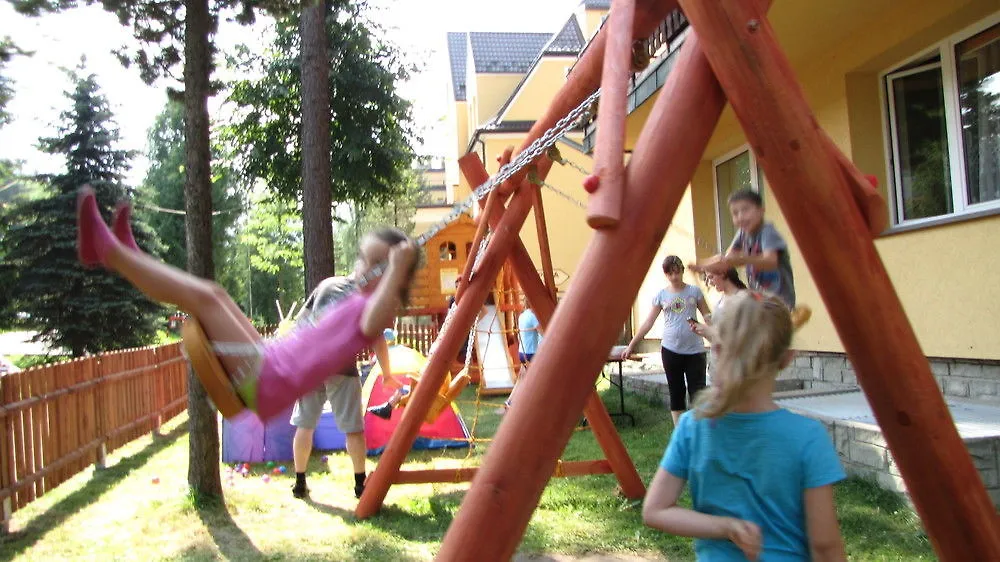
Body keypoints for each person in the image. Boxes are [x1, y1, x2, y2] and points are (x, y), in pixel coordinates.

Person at [74, 185, 417, 421]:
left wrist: (397, 270)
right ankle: (130, 256)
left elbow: (377, 321)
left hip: (266, 382)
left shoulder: (374, 311)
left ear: (389, 278)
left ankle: (109, 252)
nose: (360, 268)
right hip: (268, 358)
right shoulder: (356, 301)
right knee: (216, 292)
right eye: (361, 259)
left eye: (373, 265)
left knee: (205, 299)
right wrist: (388, 270)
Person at [642, 292, 846, 561]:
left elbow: (654, 510)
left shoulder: (693, 426)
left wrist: (726, 527)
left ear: (715, 348)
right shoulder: (809, 438)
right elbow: (825, 546)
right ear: (787, 358)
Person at [290, 277, 393, 500]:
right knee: (353, 428)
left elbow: (300, 323)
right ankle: (360, 485)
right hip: (341, 367)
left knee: (304, 424)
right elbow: (378, 340)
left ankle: (299, 483)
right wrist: (387, 375)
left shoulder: (325, 285)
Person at [622, 255, 712, 425]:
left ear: (683, 272)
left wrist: (717, 334)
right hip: (671, 350)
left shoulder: (694, 291)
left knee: (698, 393)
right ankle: (679, 432)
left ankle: (699, 430)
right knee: (676, 391)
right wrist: (632, 345)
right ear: (666, 275)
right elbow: (648, 322)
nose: (674, 277)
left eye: (677, 272)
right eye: (670, 274)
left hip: (695, 350)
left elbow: (708, 316)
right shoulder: (661, 295)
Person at [691, 189, 796, 308]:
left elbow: (771, 261)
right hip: (763, 303)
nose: (740, 217)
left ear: (761, 211)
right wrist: (702, 266)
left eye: (745, 210)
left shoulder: (767, 231)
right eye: (735, 213)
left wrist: (743, 260)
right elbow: (727, 260)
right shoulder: (742, 233)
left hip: (780, 302)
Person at [691, 268, 746, 384]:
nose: (709, 282)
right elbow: (717, 337)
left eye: (711, 277)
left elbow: (740, 338)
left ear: (723, 273)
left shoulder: (743, 300)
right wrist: (704, 332)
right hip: (718, 367)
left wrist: (710, 331)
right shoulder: (722, 300)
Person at [504, 294, 543, 410]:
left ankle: (510, 402)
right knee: (534, 380)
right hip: (531, 354)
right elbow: (543, 333)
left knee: (522, 378)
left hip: (522, 352)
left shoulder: (522, 316)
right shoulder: (532, 316)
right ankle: (529, 405)